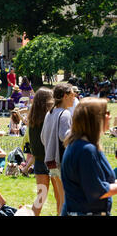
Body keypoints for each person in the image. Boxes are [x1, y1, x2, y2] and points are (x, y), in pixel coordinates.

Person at [61, 98, 116, 216]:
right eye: (106, 113)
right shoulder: (86, 150)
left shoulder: (81, 145)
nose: (110, 117)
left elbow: (103, 180)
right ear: (94, 119)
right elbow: (97, 191)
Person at [40, 83, 75, 215]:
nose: (74, 97)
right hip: (61, 161)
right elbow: (64, 135)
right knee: (67, 200)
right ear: (65, 96)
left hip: (50, 161)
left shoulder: (50, 113)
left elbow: (43, 137)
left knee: (61, 200)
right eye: (72, 95)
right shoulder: (65, 114)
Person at [28, 87, 56, 215]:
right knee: (60, 196)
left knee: (41, 196)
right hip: (52, 160)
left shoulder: (32, 119)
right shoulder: (50, 118)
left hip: (39, 161)